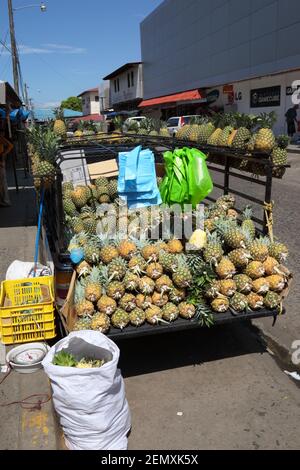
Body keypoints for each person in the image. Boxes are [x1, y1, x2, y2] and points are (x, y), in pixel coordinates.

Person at [0, 131, 13, 207]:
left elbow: (10, 146)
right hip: (1, 161)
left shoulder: (1, 138)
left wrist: (3, 154)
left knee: (3, 182)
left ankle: (5, 201)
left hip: (0, 161)